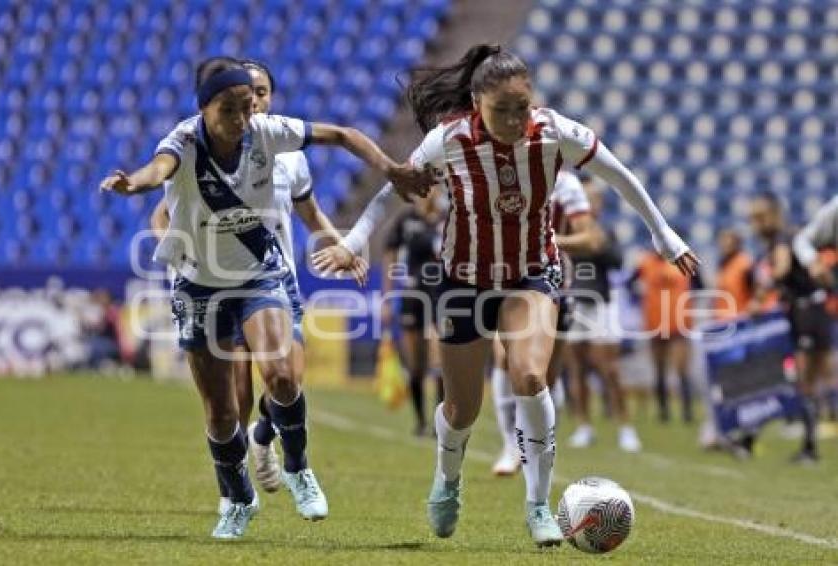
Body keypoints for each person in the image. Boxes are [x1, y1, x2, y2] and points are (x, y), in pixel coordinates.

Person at [317, 44, 697, 547]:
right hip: (463, 280)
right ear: (477, 103)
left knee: (531, 375)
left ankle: (538, 503)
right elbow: (395, 189)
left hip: (531, 274)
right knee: (462, 409)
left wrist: (664, 235)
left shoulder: (556, 132)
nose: (516, 119)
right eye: (503, 110)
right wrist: (353, 241)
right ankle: (447, 480)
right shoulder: (448, 140)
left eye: (523, 106)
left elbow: (621, 177)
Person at [100, 56, 430, 539]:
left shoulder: (269, 133)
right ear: (204, 109)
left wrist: (391, 169)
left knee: (281, 375)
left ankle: (296, 467)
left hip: (261, 275)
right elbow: (158, 170)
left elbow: (341, 135)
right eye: (229, 110)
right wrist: (134, 183)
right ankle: (237, 498)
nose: (241, 118)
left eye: (248, 106)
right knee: (221, 409)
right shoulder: (184, 141)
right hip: (200, 285)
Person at [149, 59, 367, 515]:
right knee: (234, 405)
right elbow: (164, 212)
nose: (258, 102)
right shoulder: (200, 148)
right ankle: (238, 490)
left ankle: (273, 445)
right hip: (214, 284)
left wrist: (342, 246)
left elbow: (309, 213)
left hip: (273, 281)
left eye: (263, 92)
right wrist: (184, 254)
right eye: (250, 94)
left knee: (286, 378)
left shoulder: (286, 150)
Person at [490, 168, 603, 475]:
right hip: (505, 279)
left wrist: (550, 239)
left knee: (542, 377)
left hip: (554, 282)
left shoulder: (565, 184)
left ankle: (538, 448)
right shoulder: (501, 174)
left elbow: (590, 239)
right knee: (502, 358)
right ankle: (510, 446)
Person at [750, 191, 831, 463]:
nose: (756, 224)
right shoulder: (784, 239)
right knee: (809, 381)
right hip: (812, 310)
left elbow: (782, 269)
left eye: (760, 217)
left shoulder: (783, 238)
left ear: (774, 215)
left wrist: (761, 293)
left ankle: (809, 448)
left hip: (807, 311)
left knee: (804, 380)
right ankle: (809, 444)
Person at [563, 178, 641, 452]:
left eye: (593, 199)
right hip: (574, 302)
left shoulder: (605, 230)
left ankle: (625, 427)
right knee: (577, 368)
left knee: (610, 369)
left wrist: (598, 244)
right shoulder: (565, 229)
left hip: (601, 303)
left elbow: (617, 261)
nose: (589, 204)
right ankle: (584, 426)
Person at [382, 189, 446, 436]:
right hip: (412, 295)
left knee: (439, 358)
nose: (431, 192)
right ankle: (420, 422)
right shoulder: (406, 219)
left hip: (440, 294)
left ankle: (442, 423)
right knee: (416, 364)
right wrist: (387, 297)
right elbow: (390, 252)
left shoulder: (445, 218)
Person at [630, 246, 702, 423]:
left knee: (681, 370)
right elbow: (629, 283)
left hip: (679, 323)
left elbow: (700, 285)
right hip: (655, 322)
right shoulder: (645, 263)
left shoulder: (684, 261)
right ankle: (664, 412)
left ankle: (687, 412)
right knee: (659, 370)